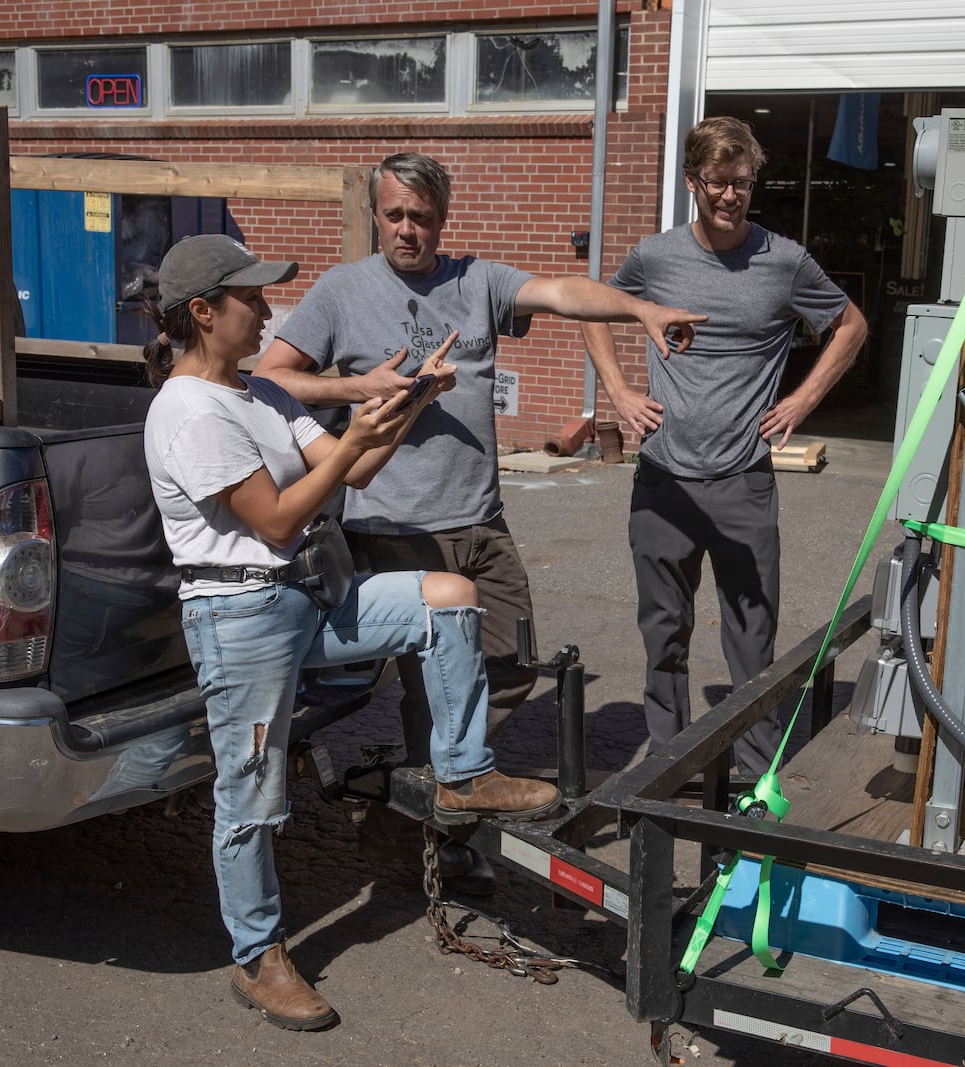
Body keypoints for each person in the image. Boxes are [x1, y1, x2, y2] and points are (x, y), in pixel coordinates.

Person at [142, 234, 561, 1032]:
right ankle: (259, 956)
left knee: (449, 595)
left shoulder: (259, 393)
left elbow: (352, 465)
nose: (269, 309)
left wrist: (411, 400)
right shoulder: (189, 409)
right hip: (241, 616)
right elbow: (275, 518)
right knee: (251, 795)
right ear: (201, 312)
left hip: (307, 597)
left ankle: (462, 770)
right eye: (251, 298)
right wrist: (359, 438)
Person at [253, 152, 704, 877]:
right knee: (429, 689)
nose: (408, 230)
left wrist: (641, 308)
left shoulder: (477, 281)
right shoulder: (342, 292)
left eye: (423, 218)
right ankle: (427, 840)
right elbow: (270, 379)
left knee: (512, 667)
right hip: (394, 529)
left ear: (443, 219)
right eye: (396, 214)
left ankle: (425, 796)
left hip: (482, 523)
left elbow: (562, 293)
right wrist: (362, 384)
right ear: (377, 214)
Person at [580, 116, 869, 776]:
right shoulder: (656, 257)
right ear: (692, 182)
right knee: (664, 633)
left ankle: (753, 775)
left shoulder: (784, 261)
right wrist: (619, 393)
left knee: (751, 639)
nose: (730, 196)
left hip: (743, 480)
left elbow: (850, 325)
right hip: (663, 480)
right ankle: (670, 760)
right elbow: (595, 308)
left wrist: (803, 399)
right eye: (717, 182)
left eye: (741, 182)